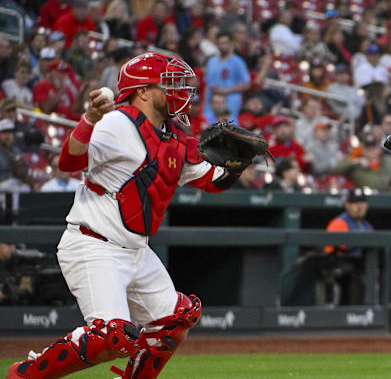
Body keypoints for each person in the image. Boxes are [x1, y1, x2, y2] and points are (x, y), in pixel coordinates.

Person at [7, 53, 248, 379]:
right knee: (110, 337)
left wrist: (238, 164)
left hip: (135, 250)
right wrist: (90, 119)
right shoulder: (117, 123)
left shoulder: (173, 135)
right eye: (169, 84)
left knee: (176, 319)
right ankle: (26, 374)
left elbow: (212, 182)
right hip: (94, 244)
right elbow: (67, 162)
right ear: (143, 91)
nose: (180, 91)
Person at [317, 188, 372, 305]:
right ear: (347, 205)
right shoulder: (340, 223)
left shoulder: (367, 226)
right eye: (355, 203)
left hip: (363, 269)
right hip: (343, 273)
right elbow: (327, 253)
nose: (359, 207)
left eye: (362, 203)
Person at [203, 32, 251, 122]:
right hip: (211, 104)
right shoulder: (211, 61)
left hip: (230, 103)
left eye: (225, 43)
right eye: (220, 43)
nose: (222, 46)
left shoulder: (238, 62)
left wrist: (224, 91)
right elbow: (207, 83)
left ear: (231, 43)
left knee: (228, 128)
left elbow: (247, 84)